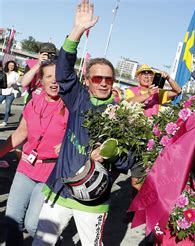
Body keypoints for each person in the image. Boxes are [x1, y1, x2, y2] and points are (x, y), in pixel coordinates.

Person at [33, 1, 135, 244]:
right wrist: (76, 32)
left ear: (113, 82)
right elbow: (64, 72)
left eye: (108, 79)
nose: (103, 83)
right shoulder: (77, 98)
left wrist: (109, 154)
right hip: (61, 189)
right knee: (40, 243)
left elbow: (128, 160)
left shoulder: (124, 115)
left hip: (93, 200)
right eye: (97, 77)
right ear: (87, 80)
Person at [0, 61, 68, 245]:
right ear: (42, 80)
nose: (54, 82)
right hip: (26, 167)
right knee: (12, 220)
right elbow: (21, 133)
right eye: (49, 77)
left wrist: (68, 144)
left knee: (32, 225)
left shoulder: (71, 106)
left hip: (50, 172)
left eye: (59, 78)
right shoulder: (33, 102)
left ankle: (55, 242)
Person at [1, 60, 20, 127]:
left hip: (11, 93)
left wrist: (12, 83)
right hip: (3, 91)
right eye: (10, 65)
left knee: (7, 107)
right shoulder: (4, 73)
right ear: (7, 66)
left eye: (12, 66)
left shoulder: (16, 74)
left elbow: (19, 83)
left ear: (14, 67)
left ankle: (5, 121)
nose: (11, 67)